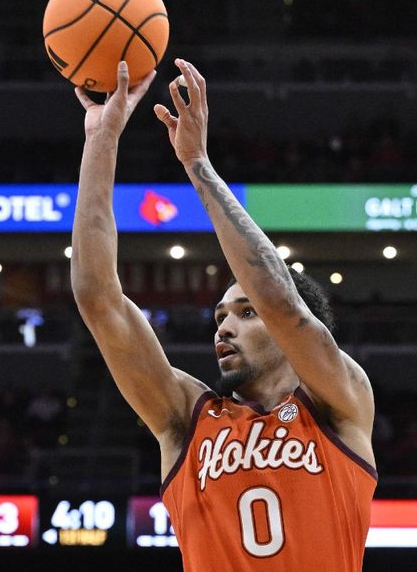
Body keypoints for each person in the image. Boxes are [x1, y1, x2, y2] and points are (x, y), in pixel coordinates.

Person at [71, 59, 376, 570]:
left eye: (244, 312)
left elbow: (282, 302)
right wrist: (102, 138)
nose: (225, 326)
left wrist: (197, 164)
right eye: (219, 317)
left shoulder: (339, 402)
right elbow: (97, 298)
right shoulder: (185, 419)